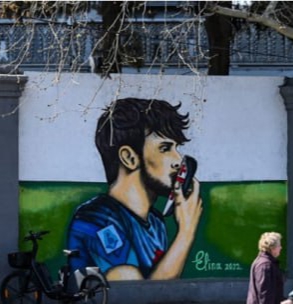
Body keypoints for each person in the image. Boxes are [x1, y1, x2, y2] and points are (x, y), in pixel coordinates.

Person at [66, 98, 203, 281]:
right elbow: (132, 288)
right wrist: (186, 231)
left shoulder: (156, 222)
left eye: (176, 148)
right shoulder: (95, 219)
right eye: (165, 148)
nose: (178, 160)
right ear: (129, 157)